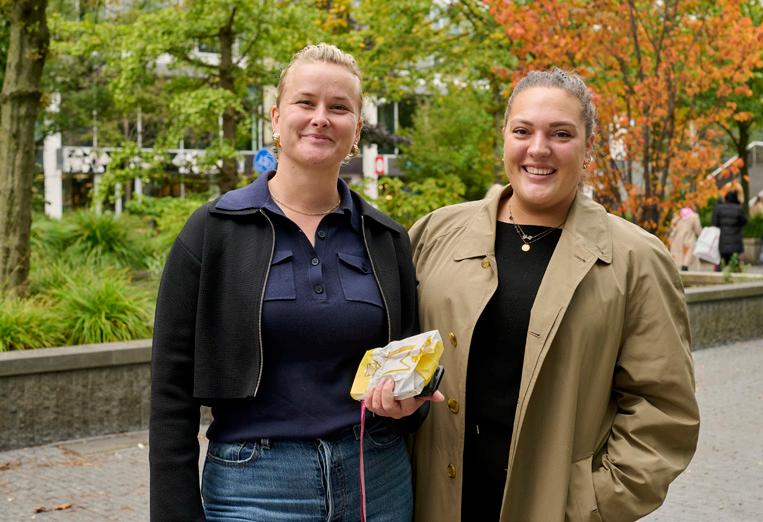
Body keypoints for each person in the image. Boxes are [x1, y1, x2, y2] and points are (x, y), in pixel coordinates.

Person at [149, 43, 438, 522]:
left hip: (376, 481)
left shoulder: (385, 238)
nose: (321, 118)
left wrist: (412, 404)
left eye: (339, 107)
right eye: (306, 102)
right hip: (254, 489)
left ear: (357, 130)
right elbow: (170, 392)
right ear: (277, 117)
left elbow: (410, 366)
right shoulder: (213, 231)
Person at [402, 68, 699, 521]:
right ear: (504, 137)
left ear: (589, 147)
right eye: (523, 131)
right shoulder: (435, 233)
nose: (538, 149)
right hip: (434, 504)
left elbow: (663, 409)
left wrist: (592, 503)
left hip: (554, 508)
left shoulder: (636, 259)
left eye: (561, 134)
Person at [711, 190, 748, 269]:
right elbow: (744, 221)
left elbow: (715, 223)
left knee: (722, 260)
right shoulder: (739, 208)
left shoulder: (720, 208)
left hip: (723, 239)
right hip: (735, 239)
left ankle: (720, 272)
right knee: (734, 261)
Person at [669, 206, 702, 271]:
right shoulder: (694, 216)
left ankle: (681, 268)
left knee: (680, 257)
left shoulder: (678, 215)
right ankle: (685, 267)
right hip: (689, 238)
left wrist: (671, 237)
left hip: (677, 239)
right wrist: (701, 236)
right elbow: (698, 228)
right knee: (688, 256)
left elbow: (673, 227)